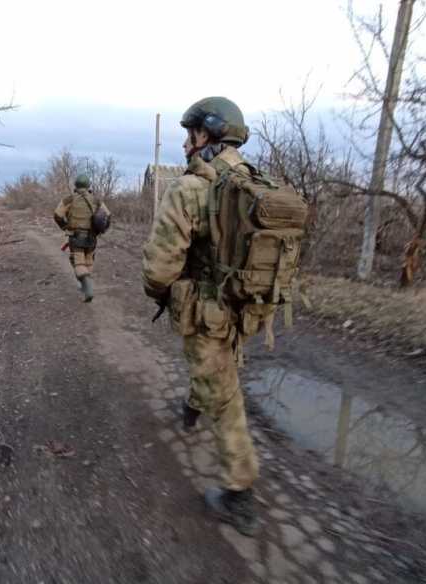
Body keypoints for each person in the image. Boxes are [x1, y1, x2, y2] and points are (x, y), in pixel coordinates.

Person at [142, 97, 260, 535]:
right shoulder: (252, 182)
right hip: (246, 307)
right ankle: (192, 406)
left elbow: (159, 267)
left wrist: (160, 293)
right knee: (217, 367)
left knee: (225, 398)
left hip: (207, 310)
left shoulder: (191, 188)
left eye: (189, 134)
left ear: (204, 135)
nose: (185, 143)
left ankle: (240, 495)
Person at [54, 174, 110, 302]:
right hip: (92, 238)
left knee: (77, 262)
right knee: (89, 261)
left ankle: (86, 285)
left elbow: (57, 215)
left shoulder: (69, 199)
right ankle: (85, 286)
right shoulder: (96, 200)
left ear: (76, 185)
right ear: (88, 185)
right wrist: (102, 230)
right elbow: (108, 216)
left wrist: (64, 226)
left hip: (76, 237)